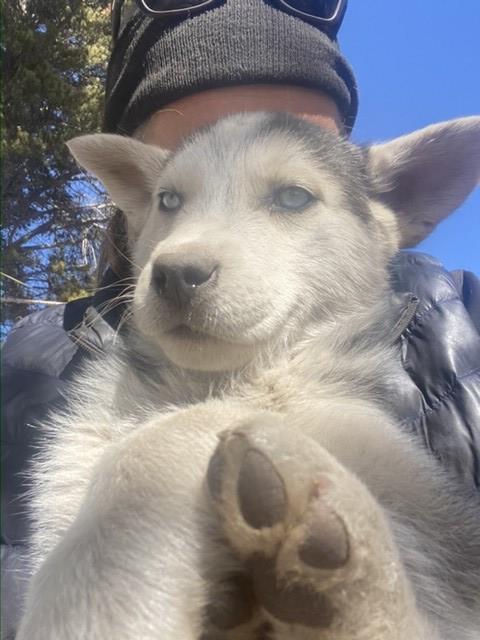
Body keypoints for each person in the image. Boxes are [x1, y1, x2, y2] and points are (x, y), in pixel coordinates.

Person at [2, 0, 479, 636]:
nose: (184, 251)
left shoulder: (461, 329)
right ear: (136, 204)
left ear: (389, 209)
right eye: (170, 198)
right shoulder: (24, 372)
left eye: (289, 195)